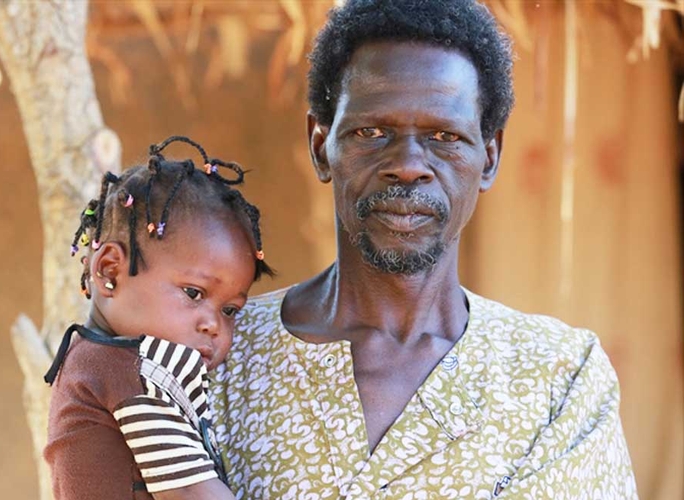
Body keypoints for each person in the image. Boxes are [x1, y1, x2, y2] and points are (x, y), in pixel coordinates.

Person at [211, 1, 638, 499]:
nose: (409, 165)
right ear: (320, 146)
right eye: (371, 132)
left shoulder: (558, 378)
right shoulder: (216, 354)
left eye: (444, 136)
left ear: (489, 158)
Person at [43, 136, 272, 500]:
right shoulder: (129, 373)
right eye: (193, 293)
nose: (214, 325)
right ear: (109, 271)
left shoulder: (92, 362)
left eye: (230, 311)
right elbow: (190, 493)